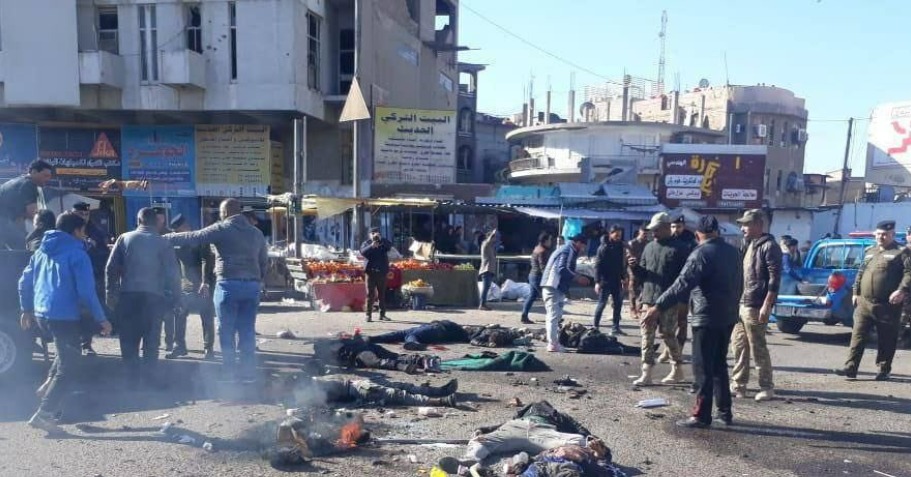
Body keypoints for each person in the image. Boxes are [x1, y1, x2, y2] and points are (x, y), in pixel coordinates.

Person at [644, 215, 743, 428]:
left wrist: (658, 306)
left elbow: (682, 283)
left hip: (706, 316)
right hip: (727, 315)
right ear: (717, 231)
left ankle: (701, 415)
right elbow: (739, 283)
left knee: (702, 367)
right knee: (719, 365)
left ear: (698, 233)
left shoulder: (701, 253)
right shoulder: (733, 252)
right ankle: (724, 413)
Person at [18, 212, 112, 434]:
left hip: (42, 314)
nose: (85, 235)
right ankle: (44, 414)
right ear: (76, 231)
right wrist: (102, 319)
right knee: (70, 366)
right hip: (63, 315)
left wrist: (26, 309)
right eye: (83, 230)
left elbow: (24, 281)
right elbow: (87, 292)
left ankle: (48, 384)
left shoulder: (41, 250)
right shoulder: (78, 254)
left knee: (67, 351)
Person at [163, 198, 269, 383]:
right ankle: (248, 374)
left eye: (220, 213)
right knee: (246, 330)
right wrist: (257, 280)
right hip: (251, 286)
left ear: (225, 212)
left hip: (228, 285)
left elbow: (193, 237)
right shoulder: (256, 233)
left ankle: (229, 373)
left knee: (226, 330)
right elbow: (263, 262)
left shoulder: (222, 228)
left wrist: (164, 238)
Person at [106, 207, 182, 388]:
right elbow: (173, 274)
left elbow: (111, 268)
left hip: (128, 298)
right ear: (156, 223)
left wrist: (111, 294)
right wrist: (177, 299)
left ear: (138, 221)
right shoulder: (163, 243)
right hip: (154, 299)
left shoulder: (124, 238)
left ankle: (131, 382)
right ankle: (149, 383)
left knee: (128, 341)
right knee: (151, 342)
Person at [835, 220, 911, 381]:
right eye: (878, 234)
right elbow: (861, 272)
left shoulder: (901, 252)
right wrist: (855, 292)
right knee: (858, 335)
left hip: (887, 305)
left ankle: (884, 369)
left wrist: (901, 290)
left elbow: (909, 273)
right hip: (864, 303)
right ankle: (850, 367)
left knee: (886, 338)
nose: (881, 237)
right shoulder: (870, 251)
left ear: (892, 234)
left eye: (885, 234)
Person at [630, 212, 690, 386]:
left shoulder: (680, 248)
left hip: (669, 301)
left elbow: (683, 279)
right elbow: (644, 275)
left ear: (666, 227)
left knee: (668, 335)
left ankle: (677, 369)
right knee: (646, 336)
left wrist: (681, 300)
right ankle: (646, 373)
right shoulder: (649, 247)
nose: (653, 233)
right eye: (652, 230)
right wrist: (635, 268)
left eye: (656, 229)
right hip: (648, 298)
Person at [731, 209, 781, 402]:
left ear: (759, 224)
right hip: (741, 303)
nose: (743, 228)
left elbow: (774, 278)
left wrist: (767, 304)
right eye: (742, 225)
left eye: (747, 224)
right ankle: (738, 384)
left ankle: (766, 387)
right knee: (738, 345)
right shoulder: (748, 244)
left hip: (756, 305)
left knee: (758, 347)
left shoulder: (769, 246)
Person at [165, 214, 217, 360]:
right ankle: (180, 347)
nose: (176, 233)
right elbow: (173, 265)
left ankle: (208, 349)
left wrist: (205, 282)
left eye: (178, 229)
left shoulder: (199, 238)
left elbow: (206, 260)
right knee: (179, 316)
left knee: (206, 317)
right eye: (175, 231)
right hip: (185, 287)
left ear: (185, 226)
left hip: (202, 286)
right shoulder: (175, 241)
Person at [540, 234, 591, 352]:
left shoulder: (566, 249)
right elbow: (562, 268)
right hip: (553, 286)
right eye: (583, 246)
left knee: (556, 315)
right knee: (554, 315)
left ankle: (554, 341)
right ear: (578, 243)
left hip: (555, 287)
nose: (583, 249)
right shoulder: (568, 250)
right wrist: (578, 278)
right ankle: (553, 344)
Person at [72, 202, 110, 356]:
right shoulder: (67, 229)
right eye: (80, 214)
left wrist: (93, 247)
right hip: (71, 277)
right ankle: (73, 344)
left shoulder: (96, 231)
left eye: (86, 214)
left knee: (87, 312)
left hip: (92, 275)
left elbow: (105, 254)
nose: (84, 217)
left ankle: (86, 343)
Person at [0, 160, 54, 250]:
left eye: (49, 176)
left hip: (5, 223)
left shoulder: (18, 181)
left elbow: (19, 215)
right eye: (45, 175)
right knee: (22, 250)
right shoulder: (29, 185)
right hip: (3, 222)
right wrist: (49, 226)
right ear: (34, 172)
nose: (48, 179)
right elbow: (33, 214)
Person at [592, 225, 627, 336]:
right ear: (610, 234)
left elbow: (621, 264)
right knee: (602, 303)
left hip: (616, 280)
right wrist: (597, 282)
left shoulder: (620, 246)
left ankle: (615, 327)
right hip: (605, 280)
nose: (618, 237)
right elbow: (597, 265)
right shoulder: (603, 247)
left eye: (620, 235)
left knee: (618, 304)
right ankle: (595, 326)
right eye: (616, 235)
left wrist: (623, 277)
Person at [360, 227, 392, 323]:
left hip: (382, 272)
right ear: (369, 235)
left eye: (377, 233)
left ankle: (382, 315)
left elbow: (389, 247)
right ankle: (368, 315)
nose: (375, 235)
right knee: (370, 295)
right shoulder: (366, 243)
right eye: (373, 233)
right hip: (370, 273)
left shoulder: (383, 242)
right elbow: (363, 252)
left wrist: (381, 239)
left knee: (382, 294)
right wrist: (371, 246)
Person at [520, 232, 553, 324]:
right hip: (538, 277)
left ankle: (524, 316)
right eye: (550, 240)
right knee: (547, 297)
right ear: (545, 241)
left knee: (532, 296)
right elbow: (543, 267)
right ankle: (553, 317)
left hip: (532, 275)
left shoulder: (537, 248)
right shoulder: (542, 251)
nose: (551, 242)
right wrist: (548, 278)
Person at [626, 225, 650, 314]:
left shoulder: (649, 243)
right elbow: (628, 257)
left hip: (644, 269)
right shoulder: (632, 243)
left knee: (645, 290)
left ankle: (639, 308)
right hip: (634, 268)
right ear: (639, 232)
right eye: (644, 233)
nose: (645, 235)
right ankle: (632, 309)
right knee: (633, 290)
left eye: (647, 234)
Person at [478, 229, 499, 311]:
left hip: (490, 269)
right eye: (494, 237)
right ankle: (482, 304)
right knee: (485, 288)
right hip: (486, 269)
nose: (495, 238)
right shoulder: (486, 244)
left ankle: (483, 304)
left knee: (486, 288)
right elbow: (488, 240)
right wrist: (493, 232)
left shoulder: (491, 246)